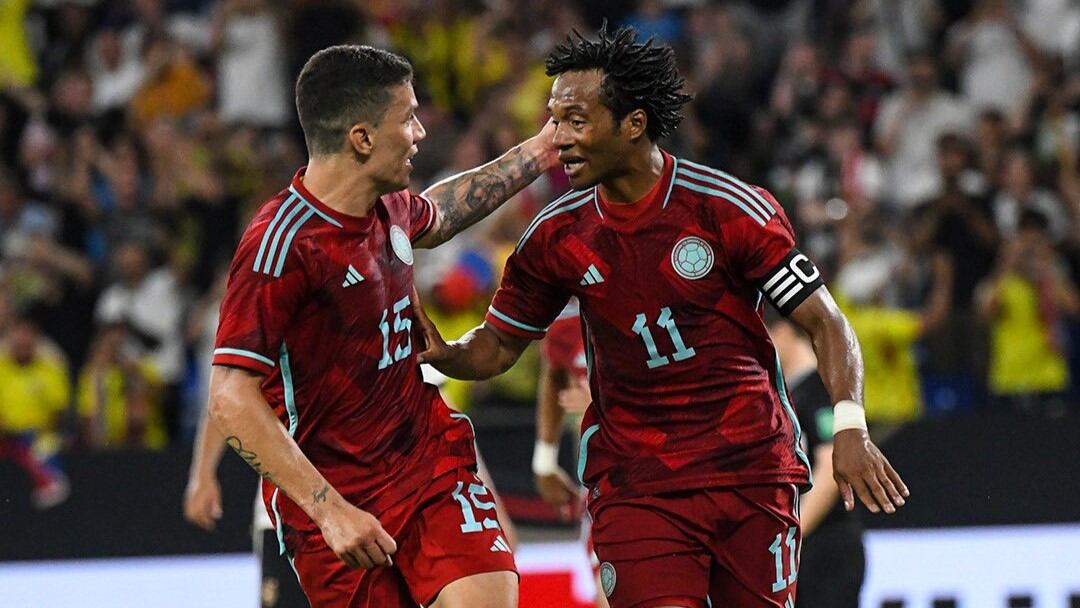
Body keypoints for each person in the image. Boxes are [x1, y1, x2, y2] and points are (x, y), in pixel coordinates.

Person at [414, 26, 908, 608]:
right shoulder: (554, 237)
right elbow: (497, 346)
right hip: (636, 484)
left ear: (634, 124)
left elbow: (826, 322)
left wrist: (850, 423)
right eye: (554, 121)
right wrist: (448, 353)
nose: (558, 140)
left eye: (576, 121)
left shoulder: (726, 208)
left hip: (748, 470)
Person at [185, 44, 557, 608]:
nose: (419, 133)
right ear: (361, 138)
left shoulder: (393, 208)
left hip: (428, 465)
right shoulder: (281, 245)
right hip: (335, 500)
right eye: (407, 118)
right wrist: (330, 511)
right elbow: (230, 397)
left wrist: (543, 148)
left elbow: (447, 210)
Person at [767, 315, 865, 608]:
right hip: (802, 548)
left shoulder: (820, 386)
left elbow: (829, 468)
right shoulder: (787, 392)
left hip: (826, 545)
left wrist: (793, 534)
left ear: (783, 331)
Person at [531, 298, 609, 608]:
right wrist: (544, 460)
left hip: (671, 476)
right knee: (610, 591)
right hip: (603, 485)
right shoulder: (568, 311)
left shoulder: (656, 292)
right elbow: (554, 373)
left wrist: (606, 400)